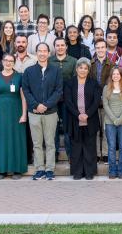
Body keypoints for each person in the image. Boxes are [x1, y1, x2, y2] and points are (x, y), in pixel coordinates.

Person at [21, 42, 62, 181]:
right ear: (36, 53)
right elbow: (26, 90)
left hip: (50, 113)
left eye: (45, 51)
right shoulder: (29, 71)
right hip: (34, 113)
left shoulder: (56, 70)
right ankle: (39, 169)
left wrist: (46, 105)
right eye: (40, 50)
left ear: (49, 53)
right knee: (37, 143)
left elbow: (58, 91)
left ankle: (50, 169)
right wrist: (36, 105)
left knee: (50, 143)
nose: (42, 53)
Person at [62, 61, 100, 180]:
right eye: (80, 67)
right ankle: (77, 172)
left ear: (88, 70)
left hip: (90, 119)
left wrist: (87, 114)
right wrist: (78, 114)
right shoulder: (69, 83)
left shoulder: (94, 83)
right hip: (74, 119)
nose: (83, 70)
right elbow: (68, 101)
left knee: (90, 146)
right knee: (76, 147)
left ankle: (89, 172)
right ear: (76, 69)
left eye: (85, 68)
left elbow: (96, 101)